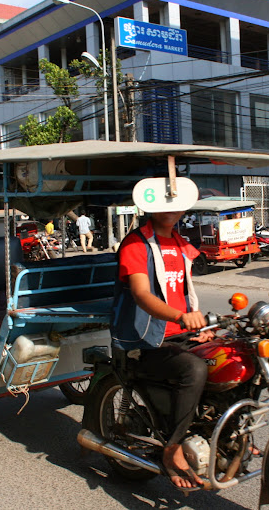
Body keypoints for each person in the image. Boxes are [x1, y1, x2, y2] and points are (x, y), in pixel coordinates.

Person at [111, 209, 212, 490]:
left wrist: (199, 324)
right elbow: (141, 294)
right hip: (146, 342)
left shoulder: (179, 243)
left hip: (182, 335)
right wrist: (180, 318)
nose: (171, 209)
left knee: (233, 355)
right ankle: (172, 447)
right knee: (194, 369)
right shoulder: (136, 244)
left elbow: (183, 293)